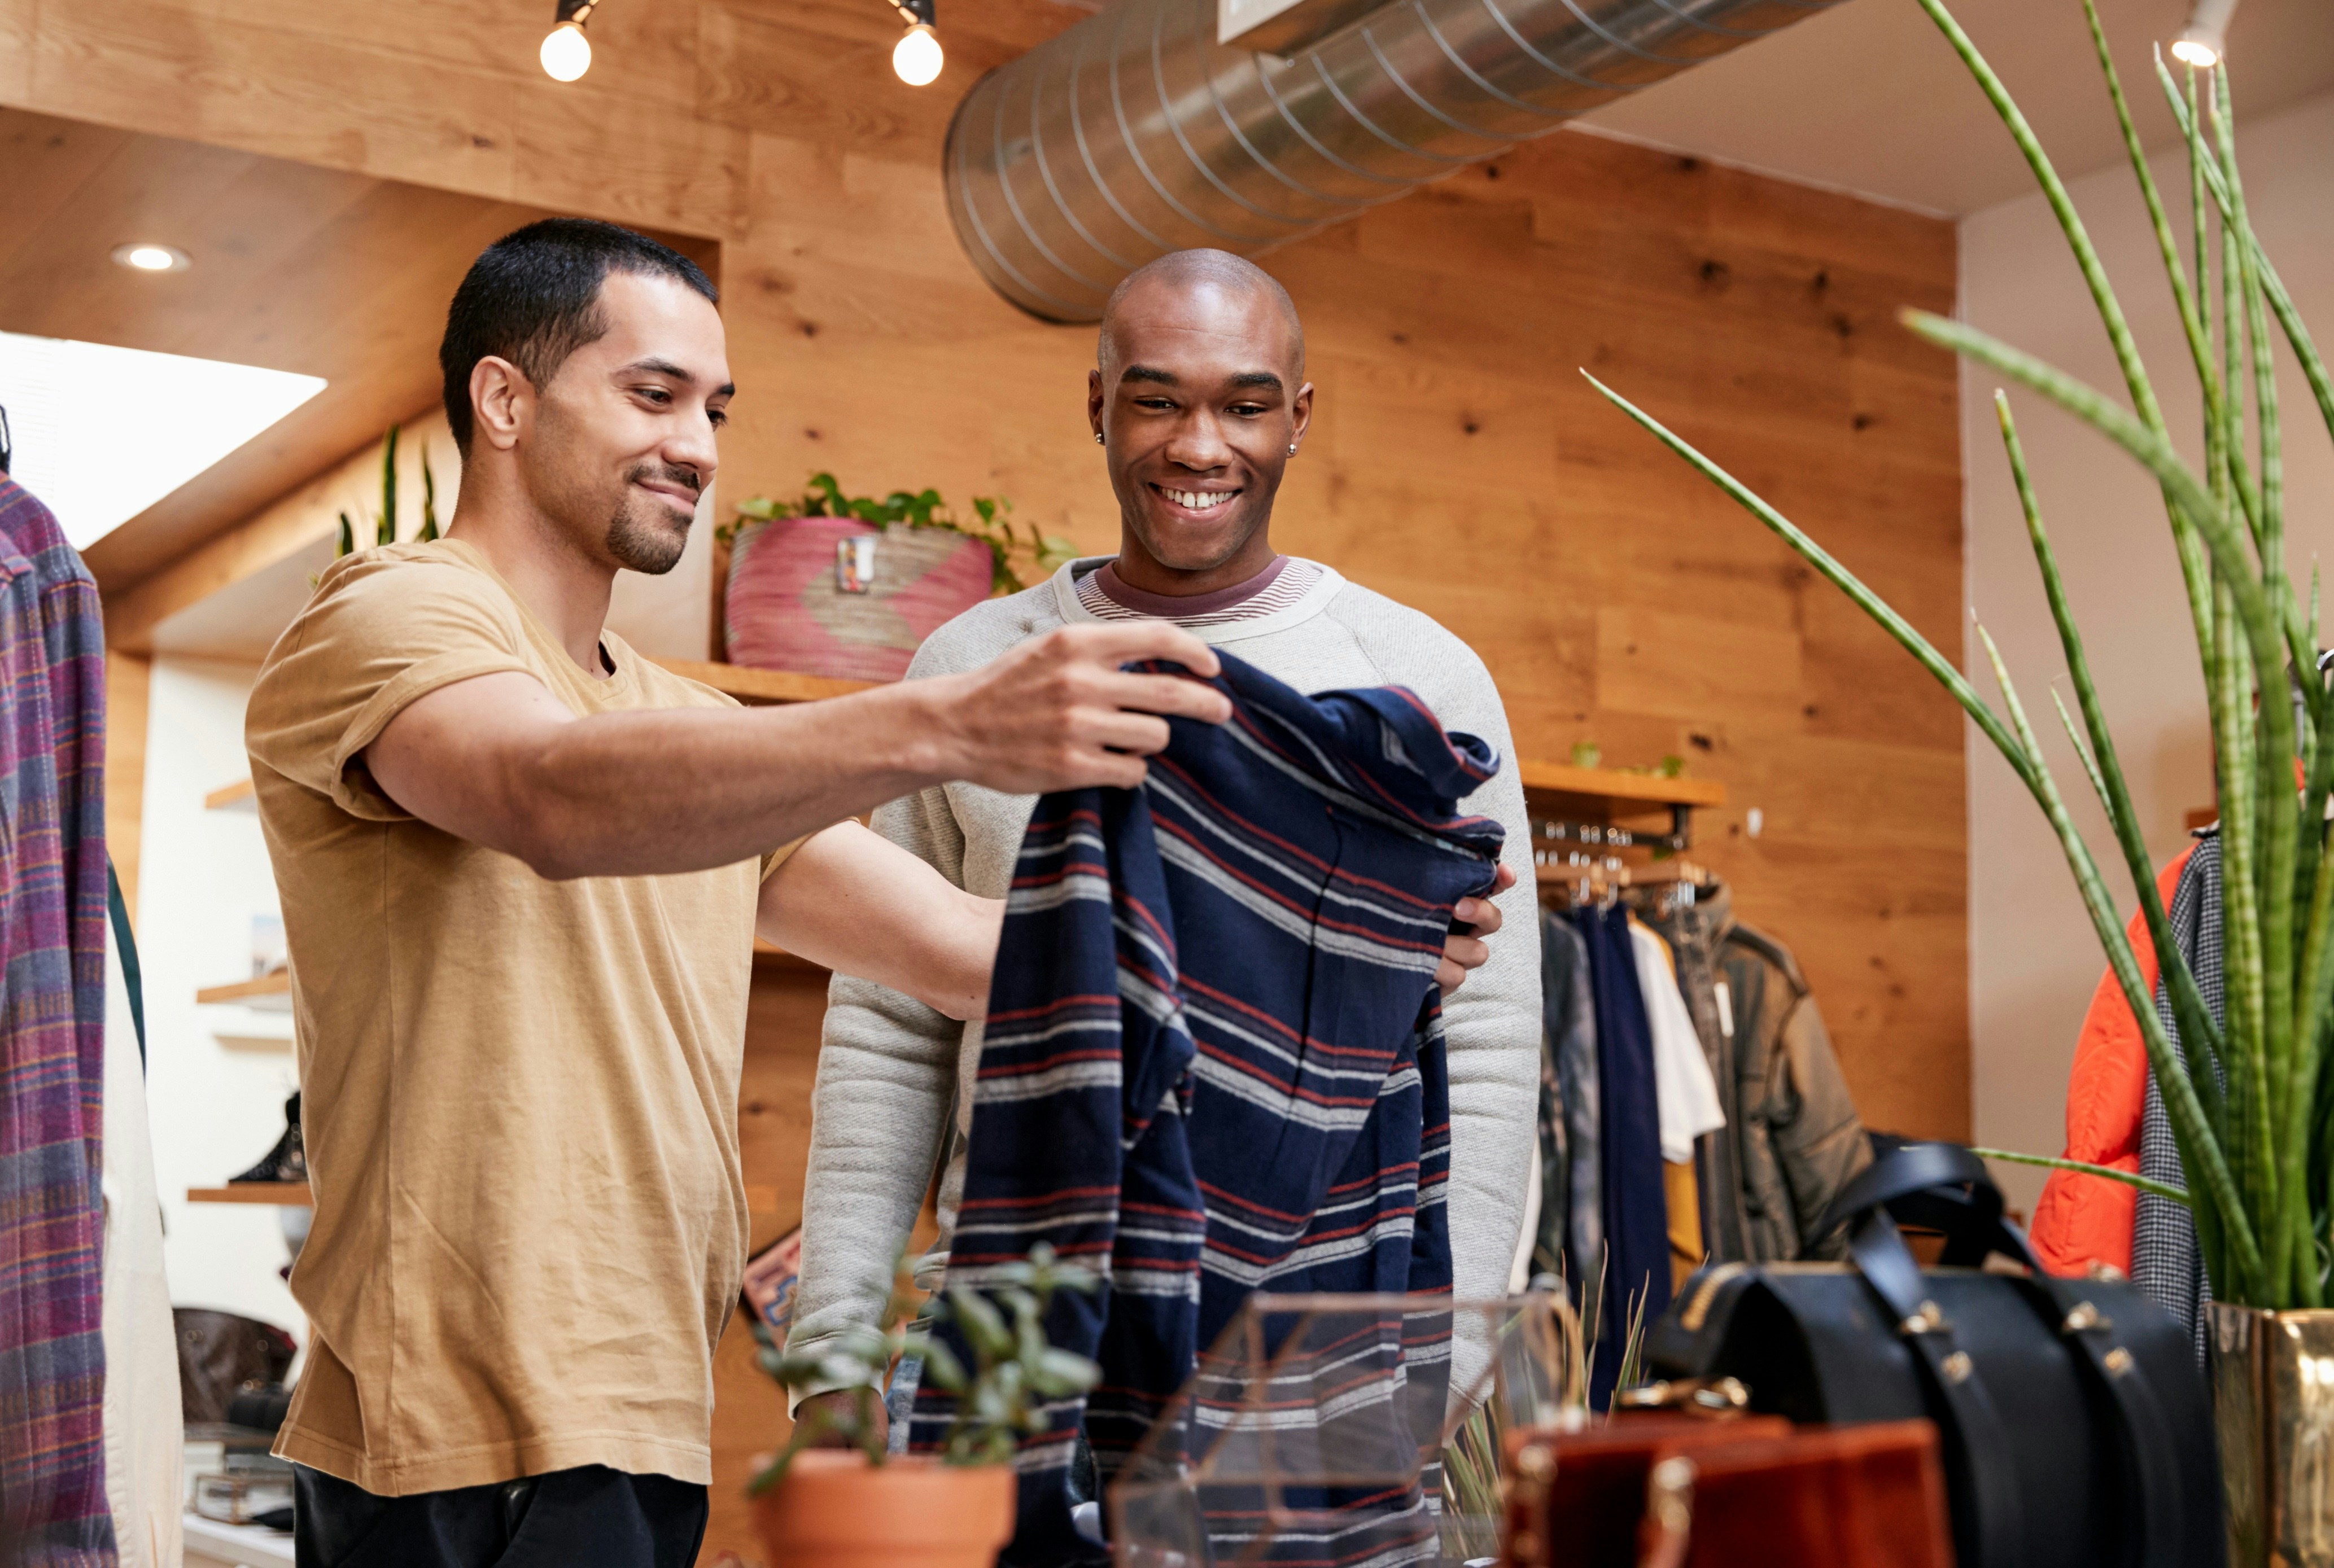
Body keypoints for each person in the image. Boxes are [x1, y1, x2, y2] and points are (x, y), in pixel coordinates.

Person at [244, 218, 1244, 1568]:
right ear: (503, 399)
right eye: (652, 395)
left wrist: (1352, 947)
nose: (701, 447)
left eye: (714, 410)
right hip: (441, 1443)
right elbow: (544, 792)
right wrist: (942, 725)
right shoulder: (390, 614)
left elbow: (979, 958)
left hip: (646, 1422)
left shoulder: (684, 729)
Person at [789, 248, 1541, 1446]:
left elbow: (1493, 1045)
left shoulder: (1420, 683)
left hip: (1318, 1351)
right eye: (1157, 399)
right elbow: (889, 1025)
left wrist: (1440, 1371)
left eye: (1245, 405)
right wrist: (833, 1352)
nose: (1201, 446)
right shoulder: (974, 673)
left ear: (1298, 419)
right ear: (1098, 404)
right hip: (1012, 1328)